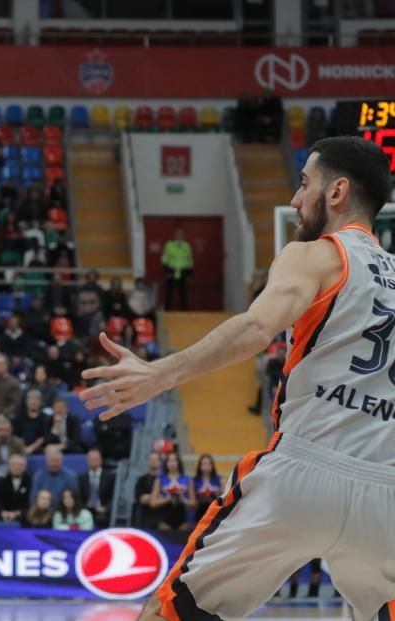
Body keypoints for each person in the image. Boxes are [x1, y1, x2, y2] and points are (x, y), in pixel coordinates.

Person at [79, 136, 395, 621]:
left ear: (337, 193)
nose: (294, 200)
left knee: (176, 610)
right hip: (386, 494)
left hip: (302, 472)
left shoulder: (314, 254)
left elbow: (255, 327)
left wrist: (159, 373)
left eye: (305, 184)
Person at [150, 452, 195, 531]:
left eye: (175, 460)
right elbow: (153, 503)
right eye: (169, 461)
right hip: (164, 518)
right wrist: (167, 499)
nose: (172, 463)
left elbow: (194, 503)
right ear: (166, 463)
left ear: (178, 463)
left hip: (182, 518)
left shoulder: (187, 479)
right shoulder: (159, 480)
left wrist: (183, 500)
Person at [160, 226, 192, 310]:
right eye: (178, 234)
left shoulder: (186, 246)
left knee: (183, 294)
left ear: (183, 235)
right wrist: (166, 270)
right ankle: (168, 311)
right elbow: (164, 258)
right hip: (171, 271)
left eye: (181, 234)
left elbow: (190, 259)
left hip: (183, 272)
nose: (179, 236)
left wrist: (189, 273)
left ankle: (185, 312)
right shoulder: (169, 245)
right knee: (169, 294)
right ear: (174, 235)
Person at [192, 453, 222, 520]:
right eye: (204, 464)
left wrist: (216, 494)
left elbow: (222, 499)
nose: (206, 466)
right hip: (200, 513)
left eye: (208, 464)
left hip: (214, 513)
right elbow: (193, 503)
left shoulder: (219, 480)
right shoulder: (195, 480)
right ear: (200, 466)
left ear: (212, 465)